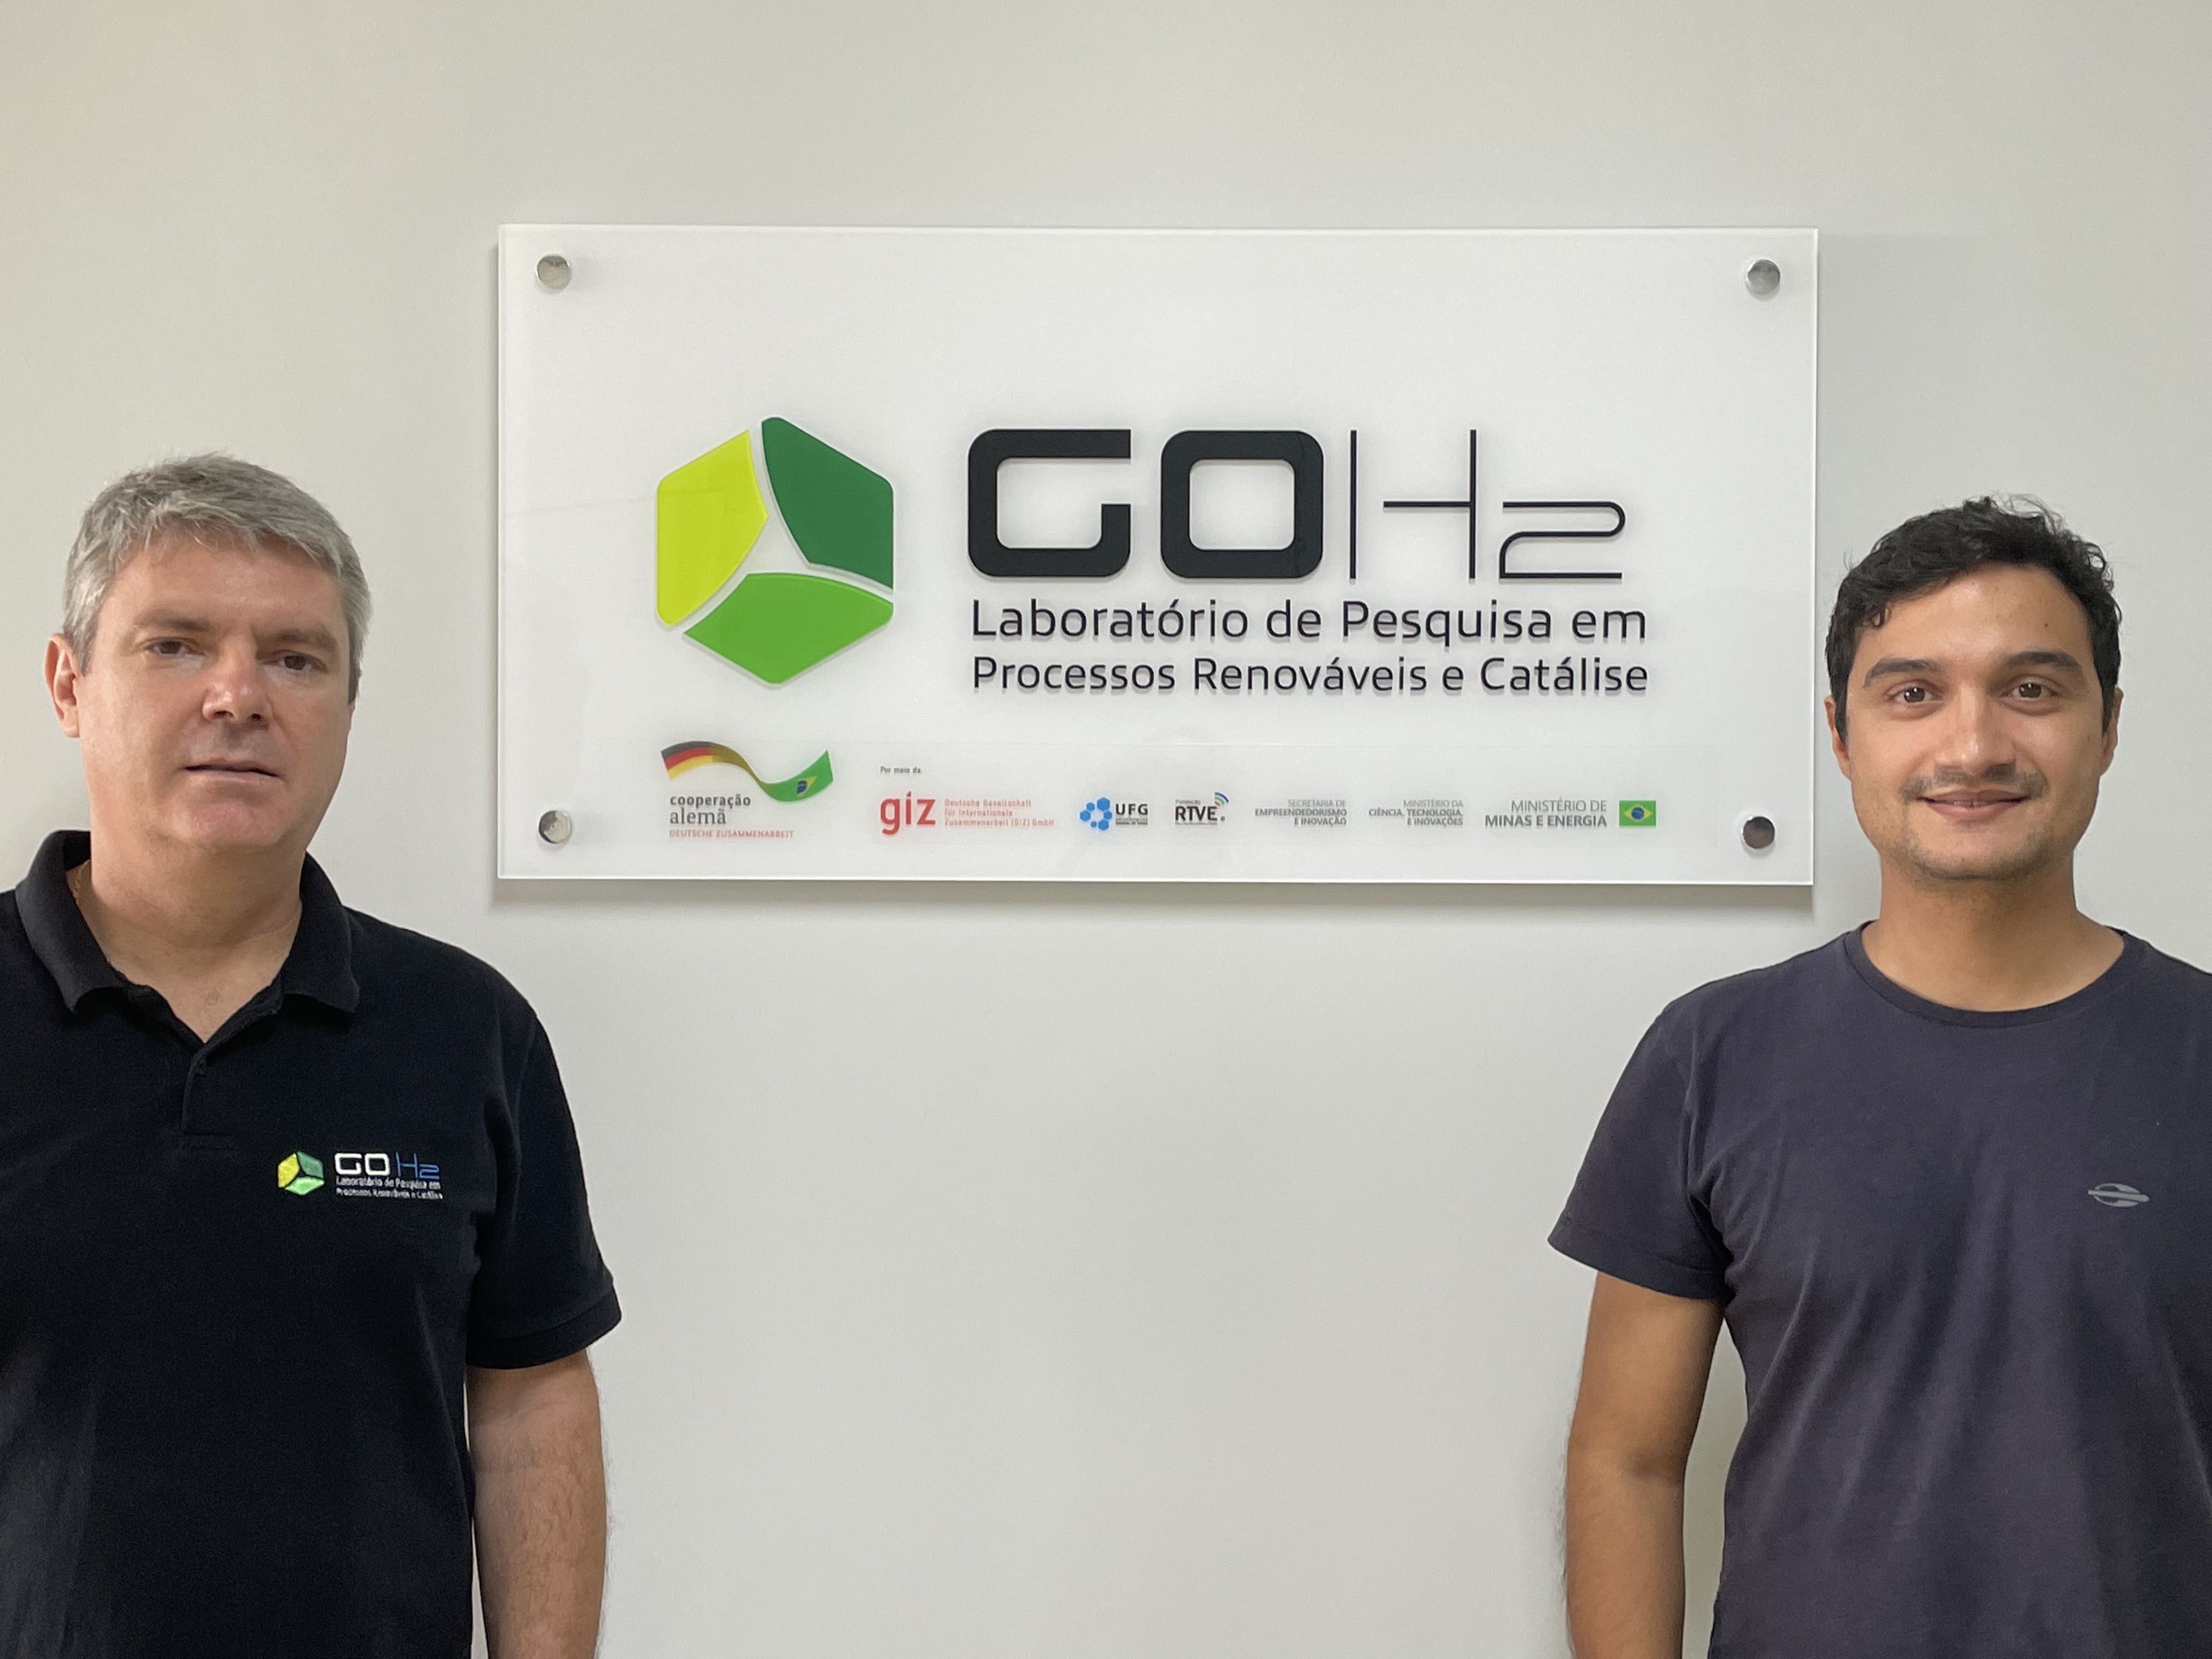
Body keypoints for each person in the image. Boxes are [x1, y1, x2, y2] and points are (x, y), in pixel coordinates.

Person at [1552, 498, 2208, 1658]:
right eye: (1913, 693)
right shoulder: (1712, 1055)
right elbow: (1628, 1462)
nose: (1973, 745)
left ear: (2109, 725)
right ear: (1843, 735)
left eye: (2031, 689)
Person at [2, 455, 620, 1658]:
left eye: (296, 658)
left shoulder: (466, 1030)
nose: (239, 694)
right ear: (69, 684)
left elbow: (531, 1401)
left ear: (347, 705)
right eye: (176, 645)